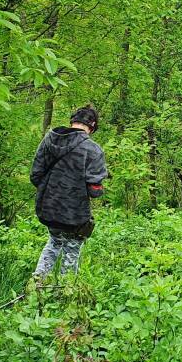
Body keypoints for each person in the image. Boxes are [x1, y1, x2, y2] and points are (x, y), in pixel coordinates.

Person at [30, 106, 108, 279]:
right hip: (75, 214)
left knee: (53, 243)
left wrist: (52, 192)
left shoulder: (49, 139)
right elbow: (94, 190)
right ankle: (65, 291)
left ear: (72, 121)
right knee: (71, 251)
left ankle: (37, 284)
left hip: (48, 209)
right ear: (92, 125)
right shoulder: (93, 150)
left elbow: (35, 175)